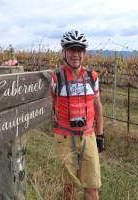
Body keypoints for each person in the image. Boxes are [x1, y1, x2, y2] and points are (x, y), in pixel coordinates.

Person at [50, 30, 105, 200]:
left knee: (92, 187)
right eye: (71, 49)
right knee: (69, 187)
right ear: (64, 52)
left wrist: (100, 135)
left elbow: (97, 106)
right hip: (64, 137)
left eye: (79, 50)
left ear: (84, 53)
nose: (76, 54)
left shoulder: (92, 76)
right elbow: (48, 103)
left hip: (88, 136)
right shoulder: (56, 77)